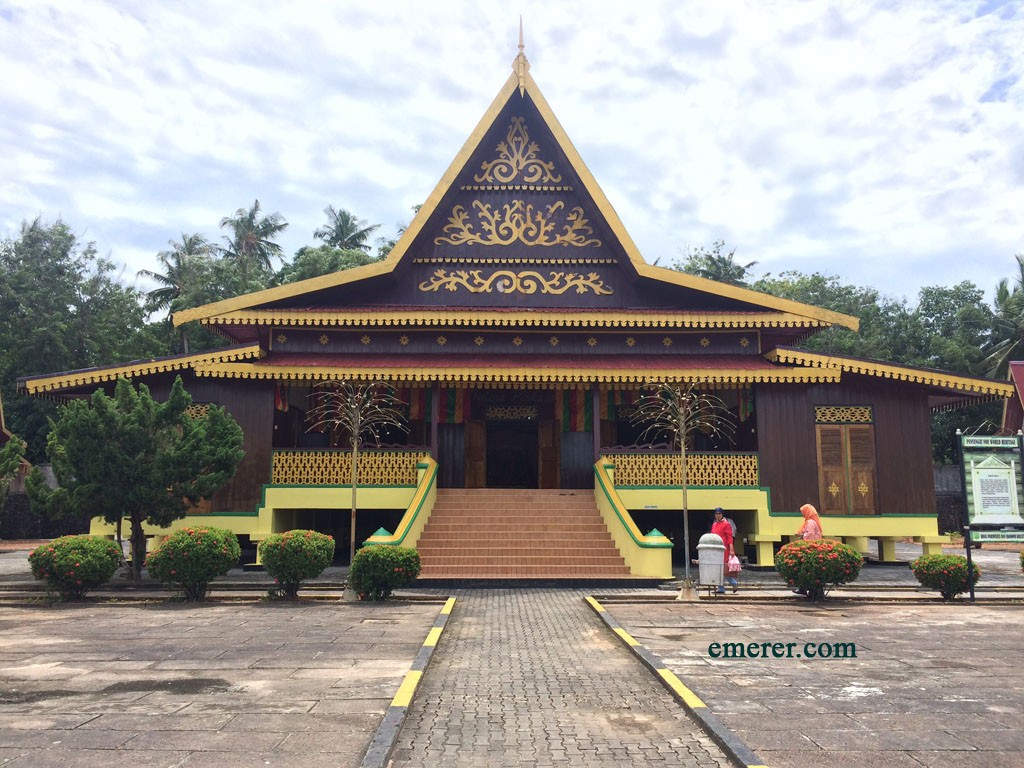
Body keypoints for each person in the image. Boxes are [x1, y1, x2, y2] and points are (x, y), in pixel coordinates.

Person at [792, 503, 823, 594]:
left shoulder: (810, 522)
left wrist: (801, 535)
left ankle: (804, 589)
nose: (802, 514)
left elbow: (809, 534)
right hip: (812, 548)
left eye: (803, 512)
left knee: (805, 569)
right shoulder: (812, 521)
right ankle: (805, 588)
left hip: (810, 548)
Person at [711, 507, 739, 594]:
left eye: (719, 514)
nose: (718, 515)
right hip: (716, 549)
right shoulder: (714, 524)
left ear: (722, 514)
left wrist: (731, 549)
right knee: (717, 568)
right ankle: (721, 587)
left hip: (724, 549)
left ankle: (733, 583)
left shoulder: (726, 524)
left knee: (723, 568)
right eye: (716, 514)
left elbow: (729, 537)